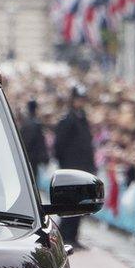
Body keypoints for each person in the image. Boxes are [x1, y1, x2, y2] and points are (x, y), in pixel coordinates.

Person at [52, 85, 96, 249]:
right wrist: (65, 165)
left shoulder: (82, 118)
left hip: (83, 168)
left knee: (80, 204)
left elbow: (87, 145)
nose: (80, 102)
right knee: (69, 204)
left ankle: (74, 235)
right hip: (71, 167)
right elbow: (59, 145)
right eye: (78, 99)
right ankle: (66, 235)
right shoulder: (68, 120)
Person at [20, 99, 49, 188]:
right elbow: (39, 143)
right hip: (34, 158)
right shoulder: (35, 124)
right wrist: (44, 157)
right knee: (33, 181)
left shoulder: (25, 123)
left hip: (27, 157)